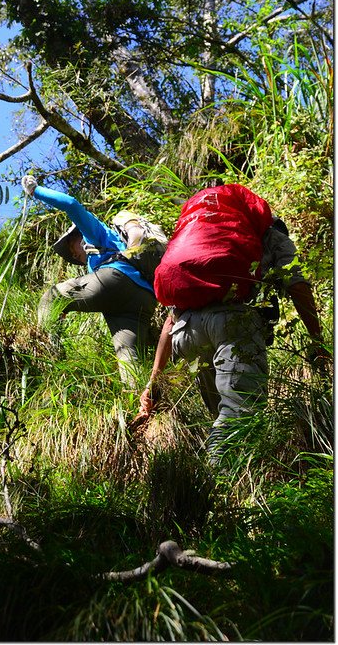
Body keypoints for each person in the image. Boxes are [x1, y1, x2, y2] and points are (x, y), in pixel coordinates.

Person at [130, 191, 326, 465]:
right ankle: (218, 486)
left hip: (185, 335)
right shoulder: (270, 235)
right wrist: (319, 343)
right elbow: (297, 285)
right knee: (240, 413)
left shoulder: (200, 241)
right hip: (231, 324)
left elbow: (170, 321)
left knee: (223, 414)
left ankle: (233, 475)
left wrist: (153, 383)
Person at [21, 175, 160, 390]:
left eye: (71, 248)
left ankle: (44, 351)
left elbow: (70, 204)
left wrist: (35, 191)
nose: (74, 255)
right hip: (143, 299)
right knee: (128, 358)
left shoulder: (94, 232)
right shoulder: (99, 258)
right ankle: (141, 408)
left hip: (116, 277)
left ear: (78, 236)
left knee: (52, 296)